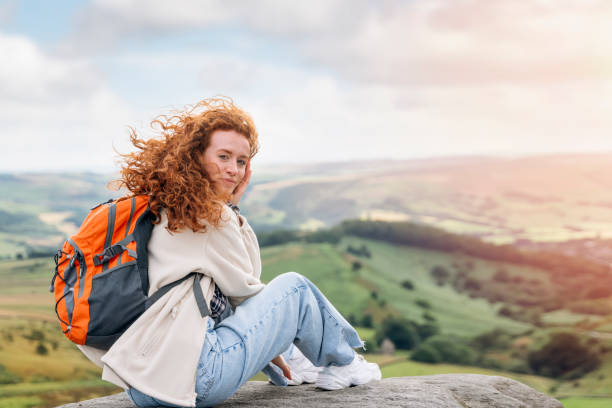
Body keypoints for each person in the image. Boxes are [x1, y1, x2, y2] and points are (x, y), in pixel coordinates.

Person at [77, 97, 381, 407]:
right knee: (295, 288)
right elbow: (248, 285)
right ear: (195, 157)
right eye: (223, 156)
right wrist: (232, 207)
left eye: (240, 161)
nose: (233, 170)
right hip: (198, 381)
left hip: (143, 389)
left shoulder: (161, 209)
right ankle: (344, 363)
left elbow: (231, 298)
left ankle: (299, 363)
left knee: (220, 303)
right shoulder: (210, 215)